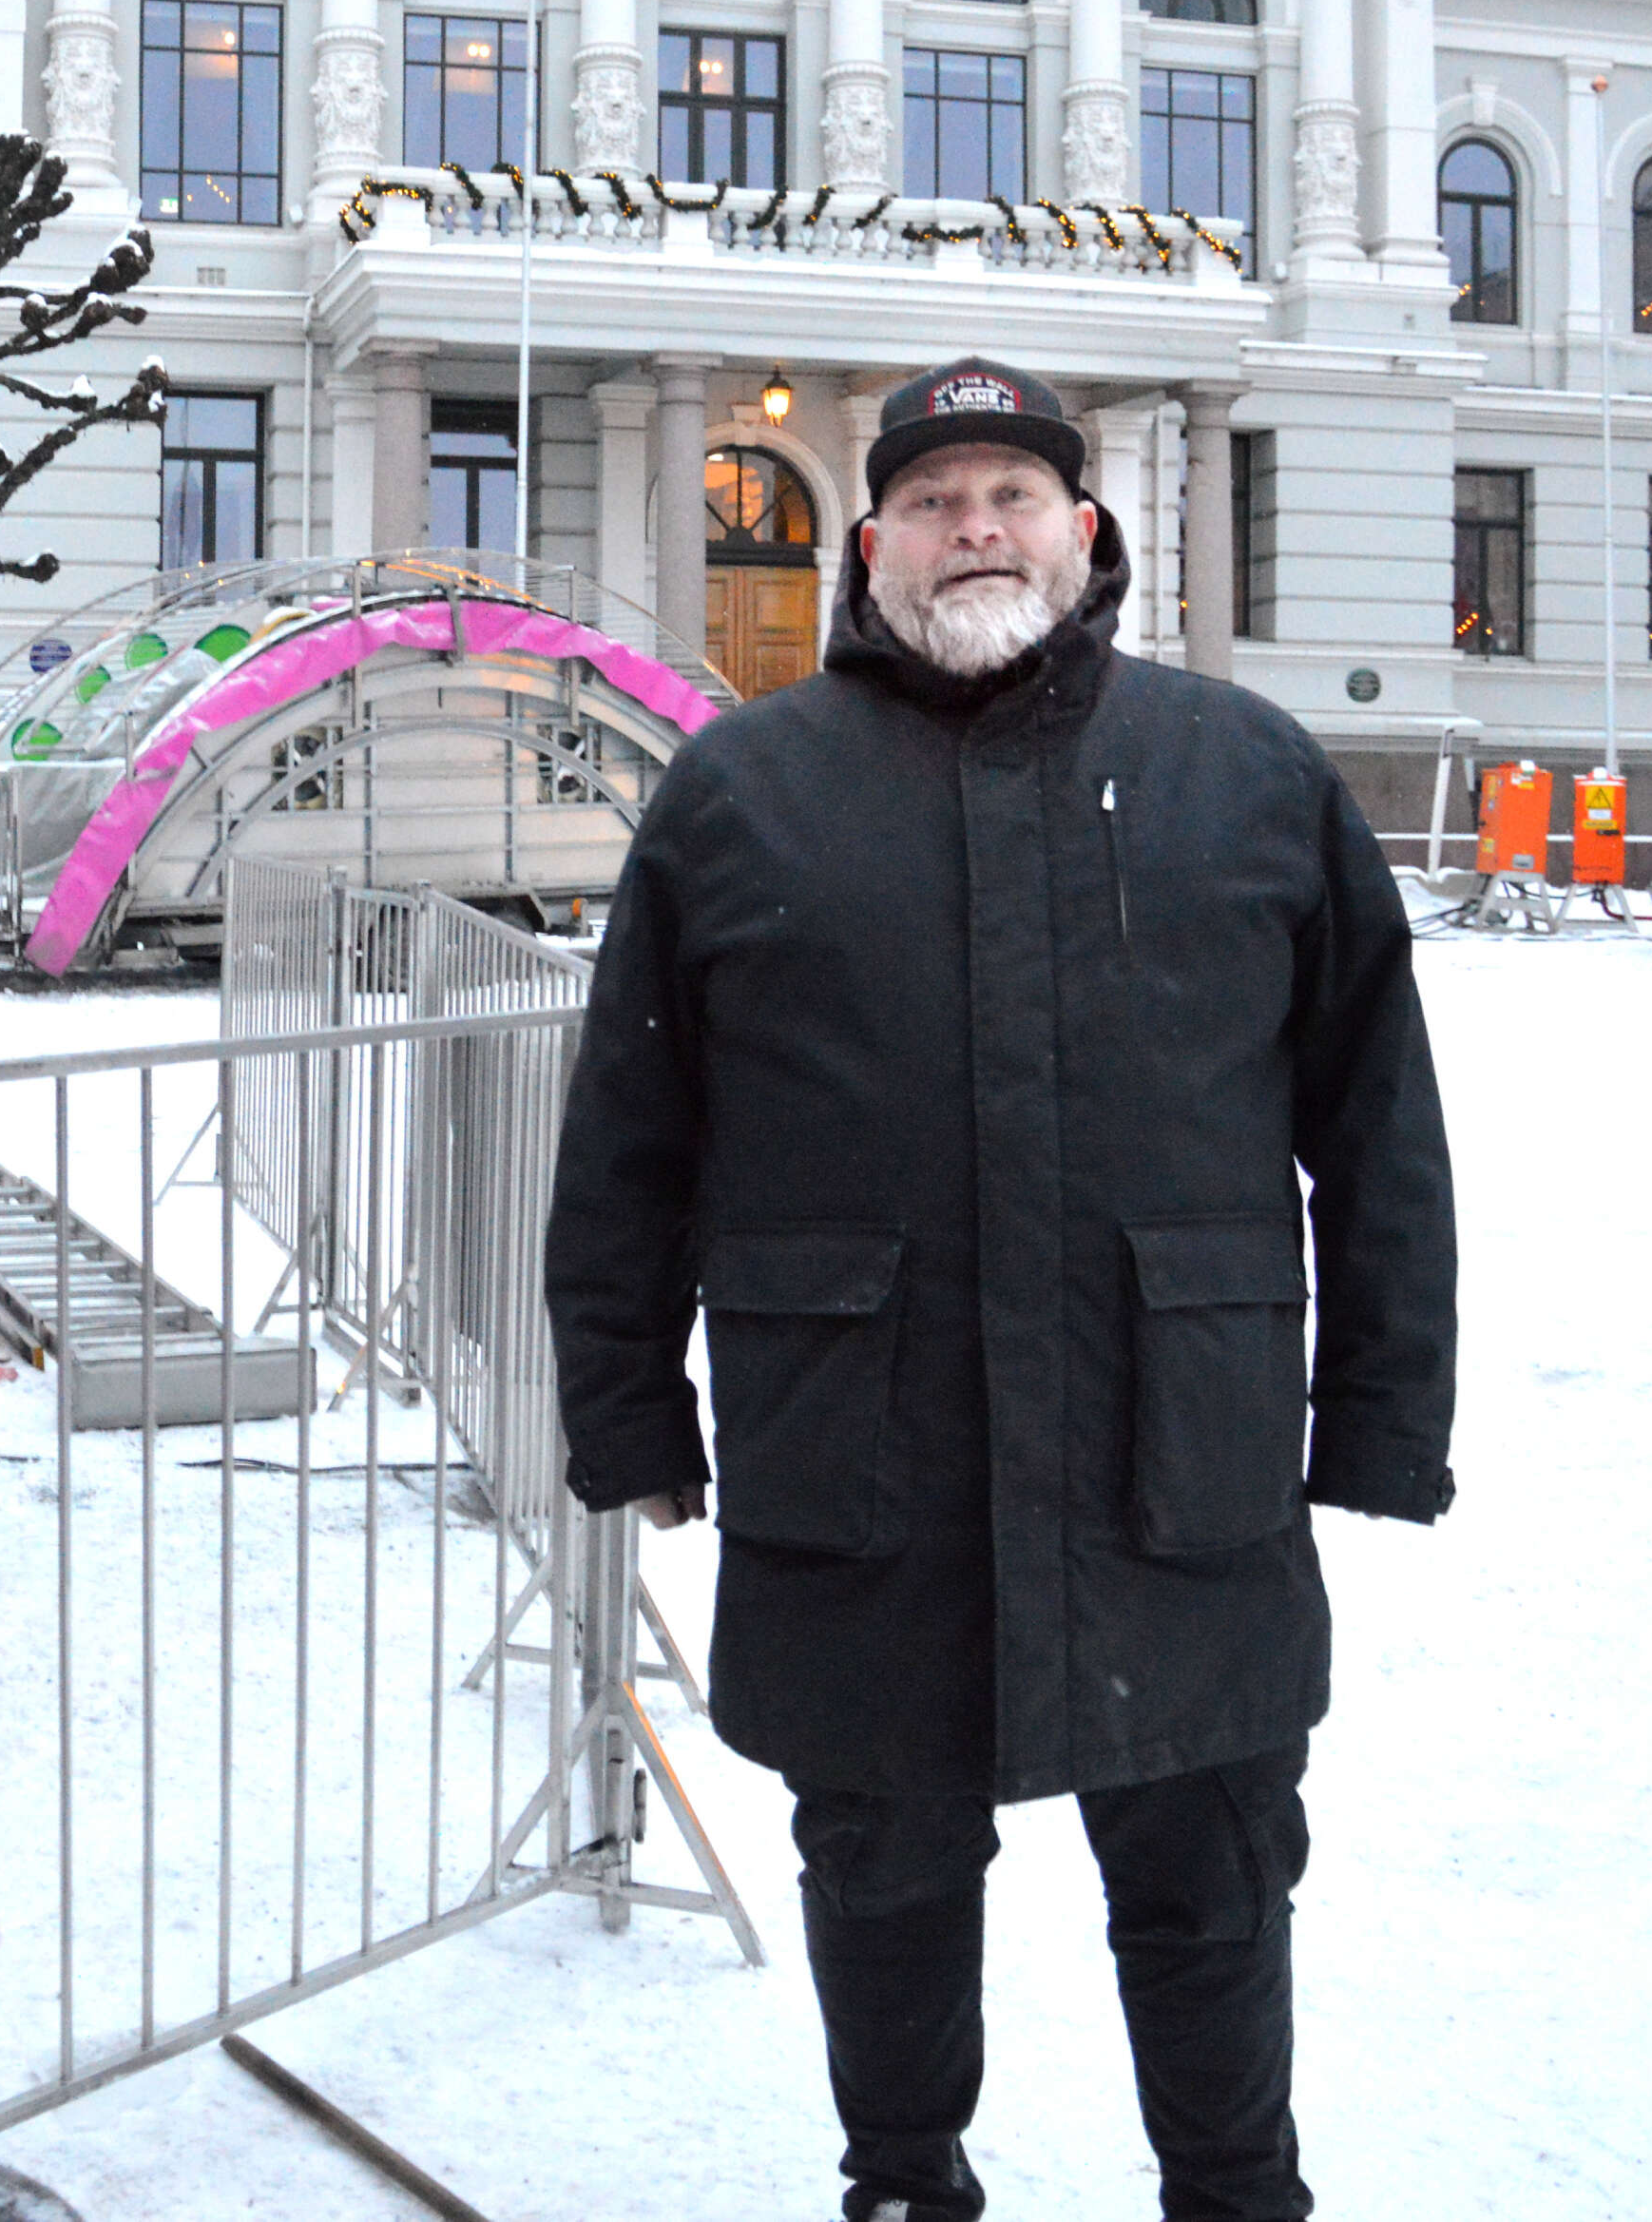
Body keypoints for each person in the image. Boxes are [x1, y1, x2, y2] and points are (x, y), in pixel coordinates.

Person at [547, 356, 1456, 2222]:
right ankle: (902, 2186)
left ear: (1083, 530)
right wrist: (627, 1409)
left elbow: (1375, 1122)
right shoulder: (739, 791)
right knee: (880, 1871)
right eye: (934, 500)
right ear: (868, 546)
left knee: (1211, 1877)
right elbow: (631, 1137)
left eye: (1012, 495)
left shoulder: (1245, 771)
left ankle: (1236, 2196)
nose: (976, 528)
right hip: (860, 1465)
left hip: (1175, 1462)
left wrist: (1378, 1413)